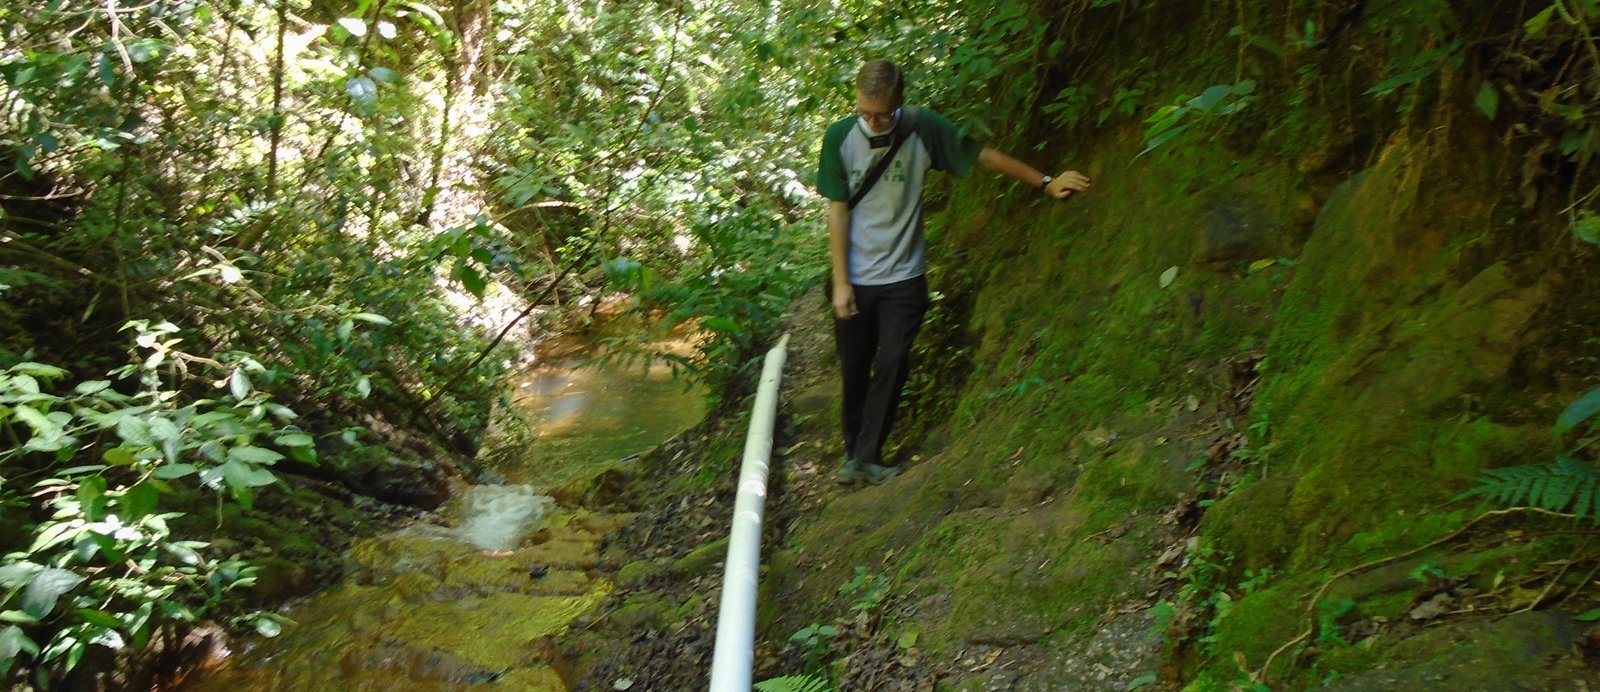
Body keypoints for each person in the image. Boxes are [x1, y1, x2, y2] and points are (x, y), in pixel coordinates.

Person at [815, 59, 1091, 485]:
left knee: (892, 360)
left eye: (881, 114)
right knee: (854, 367)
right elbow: (837, 212)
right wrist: (841, 283)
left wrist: (1045, 181)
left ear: (900, 104)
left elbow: (984, 157)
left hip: (904, 276)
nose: (871, 122)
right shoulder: (839, 137)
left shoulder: (922, 129)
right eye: (863, 111)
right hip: (854, 276)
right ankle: (854, 453)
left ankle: (868, 455)